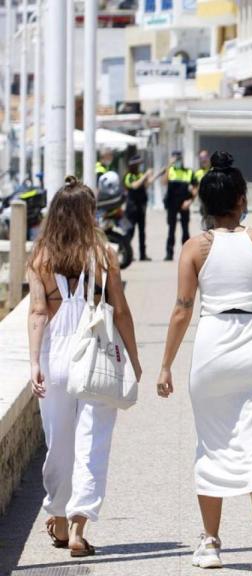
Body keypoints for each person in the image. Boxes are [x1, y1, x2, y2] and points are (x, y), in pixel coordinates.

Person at [155, 152, 252, 574]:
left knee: (212, 443)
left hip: (213, 345)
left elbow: (181, 309)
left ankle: (211, 543)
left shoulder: (195, 248)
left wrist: (166, 365)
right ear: (242, 200)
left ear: (205, 205)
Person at [27, 176, 143, 557]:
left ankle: (58, 518)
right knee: (93, 440)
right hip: (94, 351)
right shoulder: (104, 254)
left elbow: (38, 313)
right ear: (89, 213)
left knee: (58, 442)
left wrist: (33, 363)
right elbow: (121, 310)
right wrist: (134, 359)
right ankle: (78, 526)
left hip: (55, 353)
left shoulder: (40, 257)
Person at [161, 150, 198, 261]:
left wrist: (190, 201)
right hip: (172, 204)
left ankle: (187, 254)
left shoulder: (189, 172)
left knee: (185, 230)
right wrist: (169, 165)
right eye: (175, 159)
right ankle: (169, 254)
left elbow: (196, 187)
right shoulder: (170, 171)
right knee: (171, 229)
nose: (177, 161)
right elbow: (163, 182)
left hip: (184, 204)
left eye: (179, 159)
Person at [123, 155, 154, 262]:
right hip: (132, 208)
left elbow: (146, 184)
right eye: (138, 164)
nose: (140, 166)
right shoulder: (128, 176)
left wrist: (155, 175)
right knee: (129, 232)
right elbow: (135, 185)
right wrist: (145, 175)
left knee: (142, 232)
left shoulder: (140, 175)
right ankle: (126, 252)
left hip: (141, 207)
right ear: (133, 165)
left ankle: (143, 254)